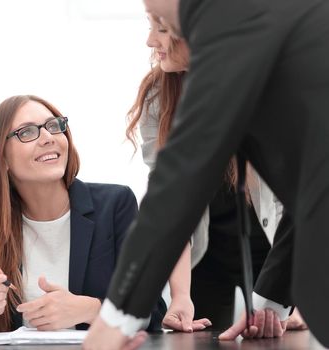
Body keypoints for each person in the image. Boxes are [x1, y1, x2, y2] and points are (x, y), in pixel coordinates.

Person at [84, 0, 329, 348]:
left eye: (161, 24)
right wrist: (267, 304)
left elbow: (179, 182)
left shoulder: (236, 22)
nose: (151, 40)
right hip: (213, 251)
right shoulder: (274, 32)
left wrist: (115, 321)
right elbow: (312, 189)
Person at [0, 95, 167, 333]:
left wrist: (92, 310)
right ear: (2, 158)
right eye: (27, 132)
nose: (48, 138)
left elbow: (152, 310)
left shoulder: (115, 204)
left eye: (53, 126)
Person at [126, 13, 279, 331]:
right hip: (205, 253)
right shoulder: (158, 96)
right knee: (201, 338)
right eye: (150, 27)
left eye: (162, 29)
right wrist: (181, 295)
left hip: (277, 243)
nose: (150, 40)